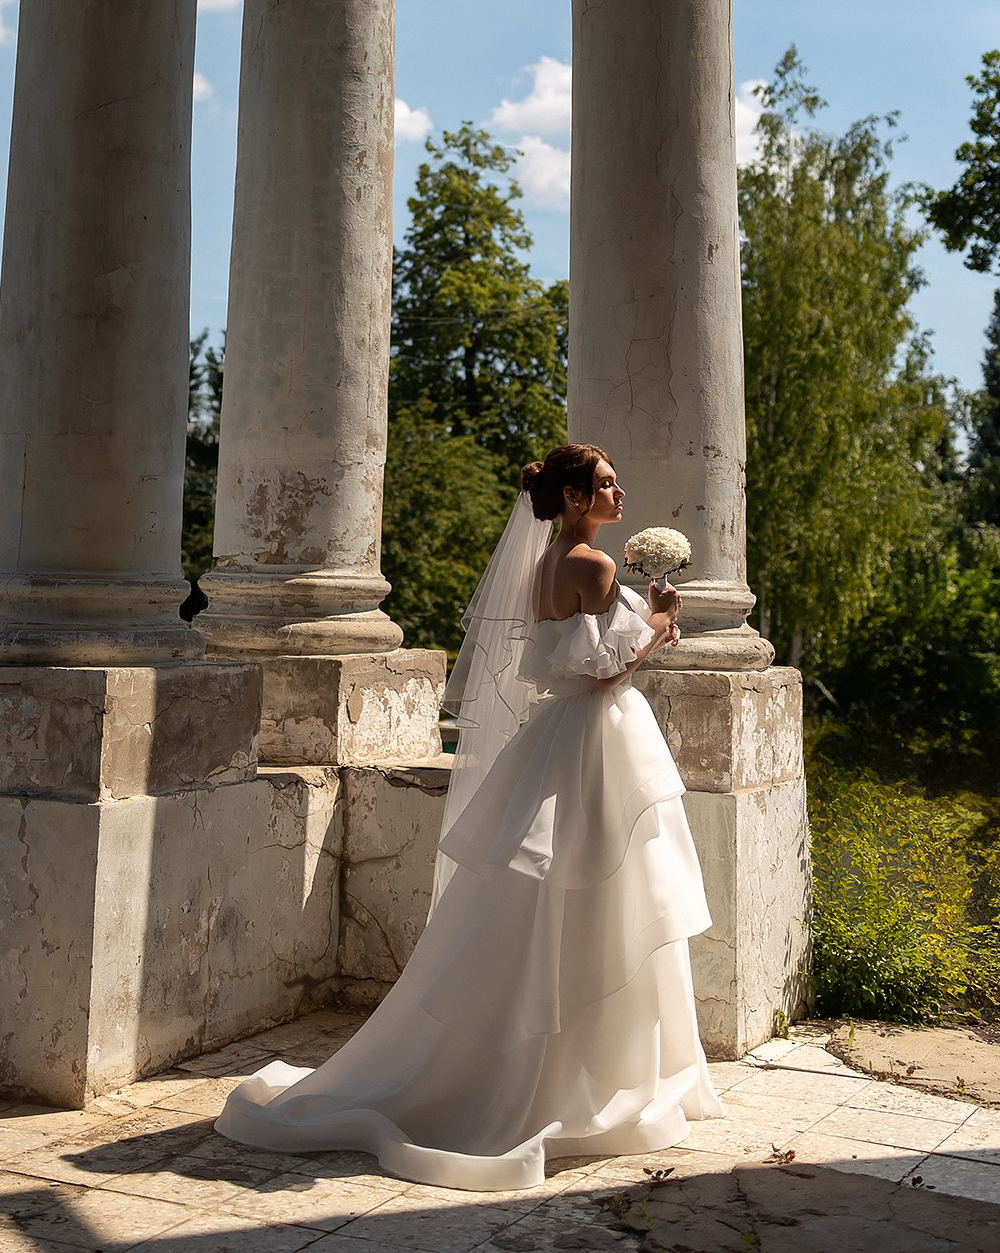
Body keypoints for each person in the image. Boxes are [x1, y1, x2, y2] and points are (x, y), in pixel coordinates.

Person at [217, 442, 724, 1191]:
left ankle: (559, 1057)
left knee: (566, 891)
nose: (620, 494)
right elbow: (602, 673)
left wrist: (643, 626)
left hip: (562, 737)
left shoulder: (548, 560)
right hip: (597, 738)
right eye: (607, 484)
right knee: (605, 886)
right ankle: (589, 1073)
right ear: (575, 498)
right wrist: (659, 624)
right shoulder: (593, 565)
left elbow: (560, 661)